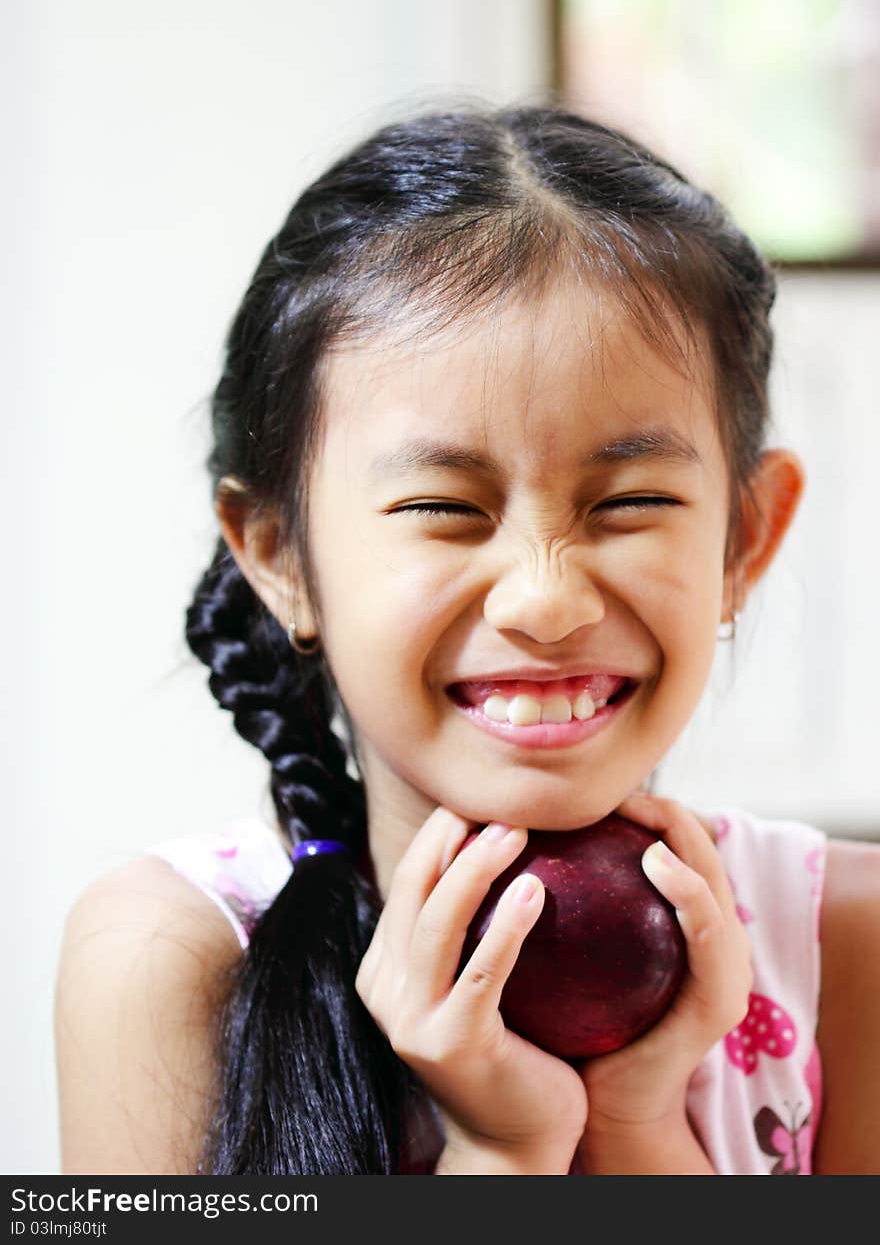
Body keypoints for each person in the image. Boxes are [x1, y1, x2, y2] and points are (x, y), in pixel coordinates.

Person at [54, 104, 880, 1176]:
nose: (544, 599)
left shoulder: (842, 948)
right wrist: (501, 1155)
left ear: (744, 537)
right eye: (443, 508)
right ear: (278, 555)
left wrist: (631, 1128)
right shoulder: (170, 958)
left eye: (628, 501)